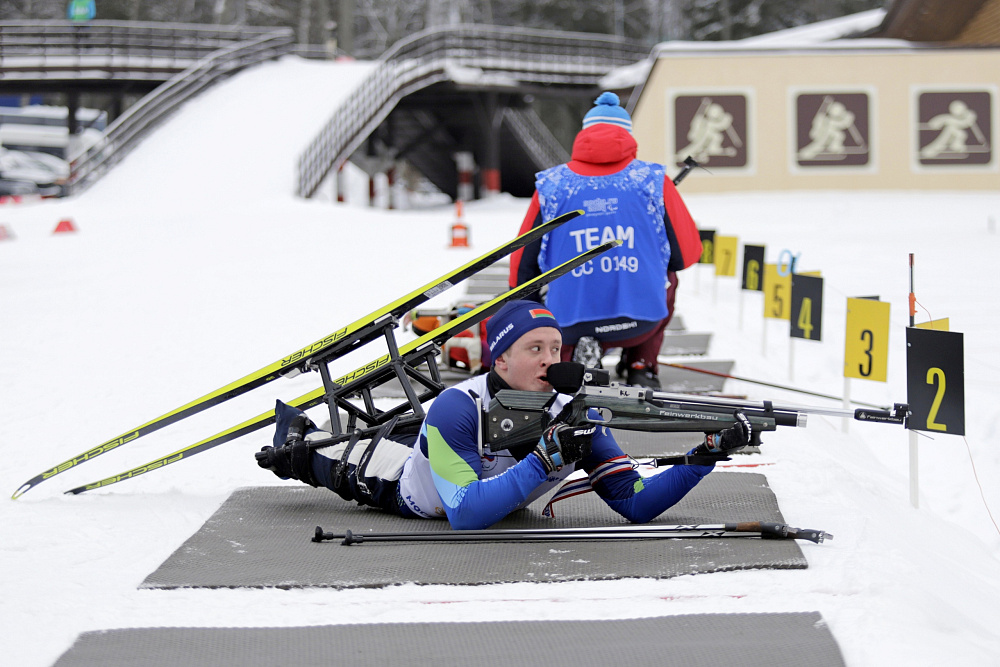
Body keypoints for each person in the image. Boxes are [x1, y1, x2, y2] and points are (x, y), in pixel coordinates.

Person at [256, 300, 750, 530]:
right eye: (535, 348)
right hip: (409, 490)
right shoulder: (458, 405)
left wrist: (704, 456)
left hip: (470, 466)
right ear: (501, 360)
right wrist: (542, 462)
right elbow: (464, 513)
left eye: (555, 348)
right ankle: (293, 435)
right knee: (324, 456)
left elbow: (634, 502)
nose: (549, 360)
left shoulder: (570, 411)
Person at [508, 92, 703, 388]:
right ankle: (641, 363)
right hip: (640, 323)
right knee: (668, 278)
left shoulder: (552, 185)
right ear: (627, 136)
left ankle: (576, 359)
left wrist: (531, 317)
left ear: (584, 135)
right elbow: (685, 256)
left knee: (552, 295)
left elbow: (522, 266)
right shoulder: (653, 180)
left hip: (567, 325)